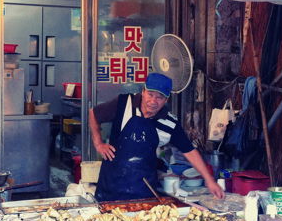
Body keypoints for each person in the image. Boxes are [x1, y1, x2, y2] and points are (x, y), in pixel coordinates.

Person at [88, 72, 224, 201]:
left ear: (166, 99)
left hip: (143, 188)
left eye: (159, 97)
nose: (153, 101)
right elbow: (93, 114)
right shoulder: (124, 103)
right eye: (150, 94)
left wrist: (209, 180)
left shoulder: (169, 123)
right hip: (111, 184)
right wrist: (98, 143)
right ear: (143, 92)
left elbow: (189, 151)